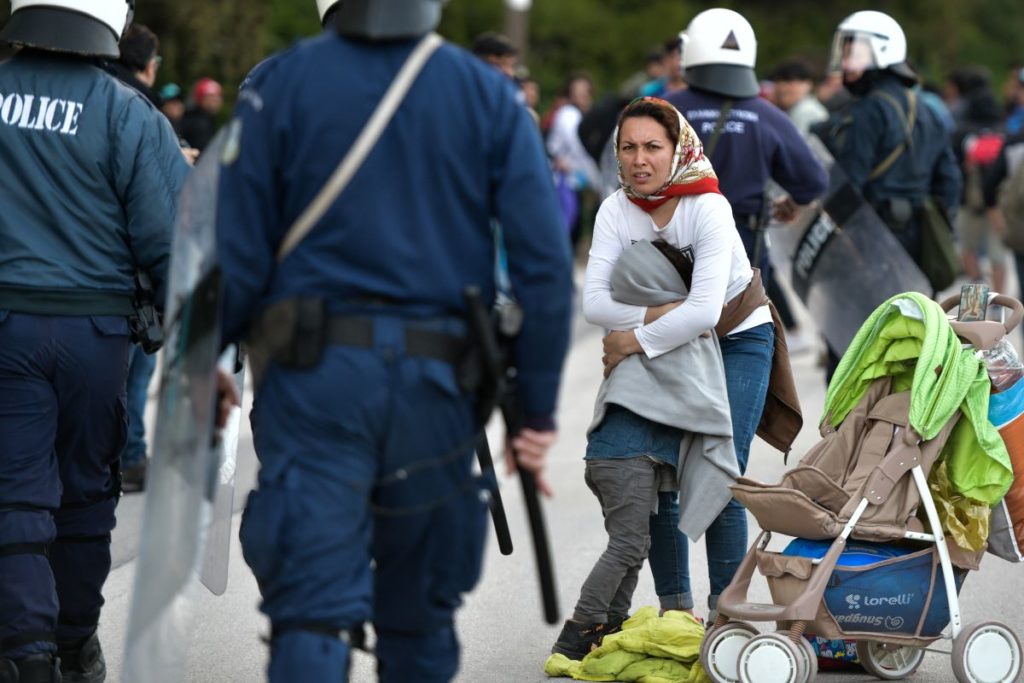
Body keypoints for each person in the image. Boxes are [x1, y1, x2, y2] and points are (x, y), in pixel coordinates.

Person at [215, 0, 574, 681]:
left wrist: (210, 361)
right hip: (436, 389)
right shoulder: (485, 94)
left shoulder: (278, 84)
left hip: (311, 382)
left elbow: (234, 250)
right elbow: (545, 270)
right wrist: (539, 410)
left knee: (311, 609)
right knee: (419, 618)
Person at [0, 1, 191, 681]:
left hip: (7, 328)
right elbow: (176, 238)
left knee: (15, 492)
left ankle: (24, 652)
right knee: (85, 493)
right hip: (96, 334)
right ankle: (75, 640)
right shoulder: (126, 111)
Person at [551, 97, 749, 658]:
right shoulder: (616, 209)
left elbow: (709, 313)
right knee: (663, 471)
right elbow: (594, 304)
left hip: (738, 337)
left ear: (678, 149)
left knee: (721, 467)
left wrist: (632, 337)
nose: (640, 160)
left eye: (652, 147)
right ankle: (676, 612)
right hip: (673, 341)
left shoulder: (708, 207)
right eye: (628, 148)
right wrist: (664, 318)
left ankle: (727, 618)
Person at [657, 7, 822, 620]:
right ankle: (727, 611)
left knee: (667, 465)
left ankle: (674, 612)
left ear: (689, 53)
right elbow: (811, 177)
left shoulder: (663, 114)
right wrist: (781, 206)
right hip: (737, 299)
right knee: (726, 462)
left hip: (666, 301)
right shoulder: (768, 115)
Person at [820, 10, 961, 372]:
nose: (846, 62)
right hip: (917, 240)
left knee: (857, 350)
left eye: (855, 52)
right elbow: (950, 181)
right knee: (914, 340)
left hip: (870, 242)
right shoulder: (928, 109)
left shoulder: (867, 110)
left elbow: (847, 185)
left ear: (881, 53)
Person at [105, 24, 167, 493]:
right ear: (147, 64)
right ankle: (130, 456)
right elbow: (156, 223)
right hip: (119, 285)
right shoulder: (137, 109)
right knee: (136, 372)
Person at [180, 76, 222, 152]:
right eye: (211, 97)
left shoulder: (203, 119)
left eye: (218, 96)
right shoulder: (199, 124)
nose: (216, 100)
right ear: (201, 99)